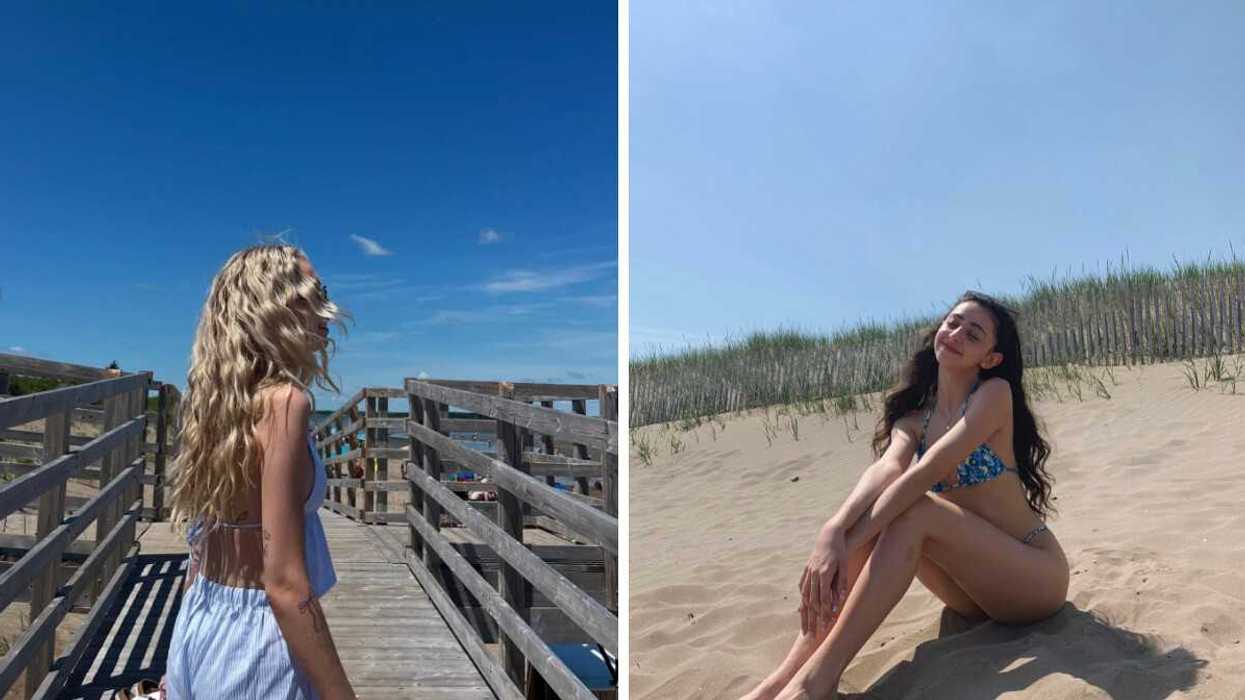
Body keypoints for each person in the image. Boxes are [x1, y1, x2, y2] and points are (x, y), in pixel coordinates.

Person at [742, 291, 1070, 700]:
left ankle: (815, 683)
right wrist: (833, 532)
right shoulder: (916, 417)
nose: (956, 334)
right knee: (888, 514)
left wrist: (848, 543)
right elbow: (886, 470)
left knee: (912, 510)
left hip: (1034, 580)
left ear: (990, 358)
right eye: (952, 322)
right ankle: (780, 682)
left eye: (973, 334)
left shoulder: (993, 395)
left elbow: (927, 472)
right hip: (972, 597)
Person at [157, 243, 356, 699]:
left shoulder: (215, 407)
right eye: (311, 292)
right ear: (271, 310)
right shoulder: (286, 403)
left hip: (200, 621)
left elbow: (201, 546)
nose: (326, 308)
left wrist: (177, 659)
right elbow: (284, 583)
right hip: (258, 647)